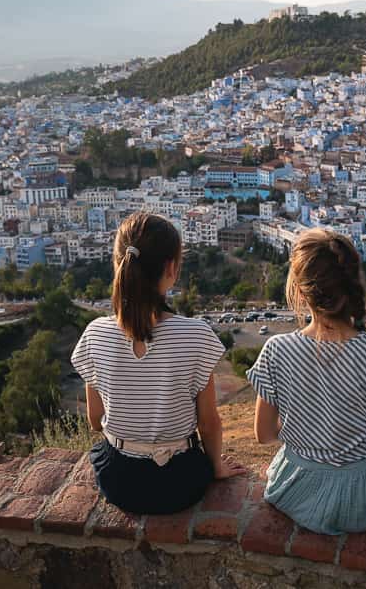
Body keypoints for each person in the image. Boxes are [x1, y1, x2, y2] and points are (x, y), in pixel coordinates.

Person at [71, 211, 245, 515]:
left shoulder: (95, 333)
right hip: (180, 483)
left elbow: (95, 420)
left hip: (118, 480)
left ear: (118, 264)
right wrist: (216, 466)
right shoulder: (195, 335)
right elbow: (208, 422)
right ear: (171, 268)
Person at [247, 228, 366, 535]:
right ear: (352, 284)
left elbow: (263, 434)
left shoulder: (276, 350)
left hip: (297, 491)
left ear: (299, 292)